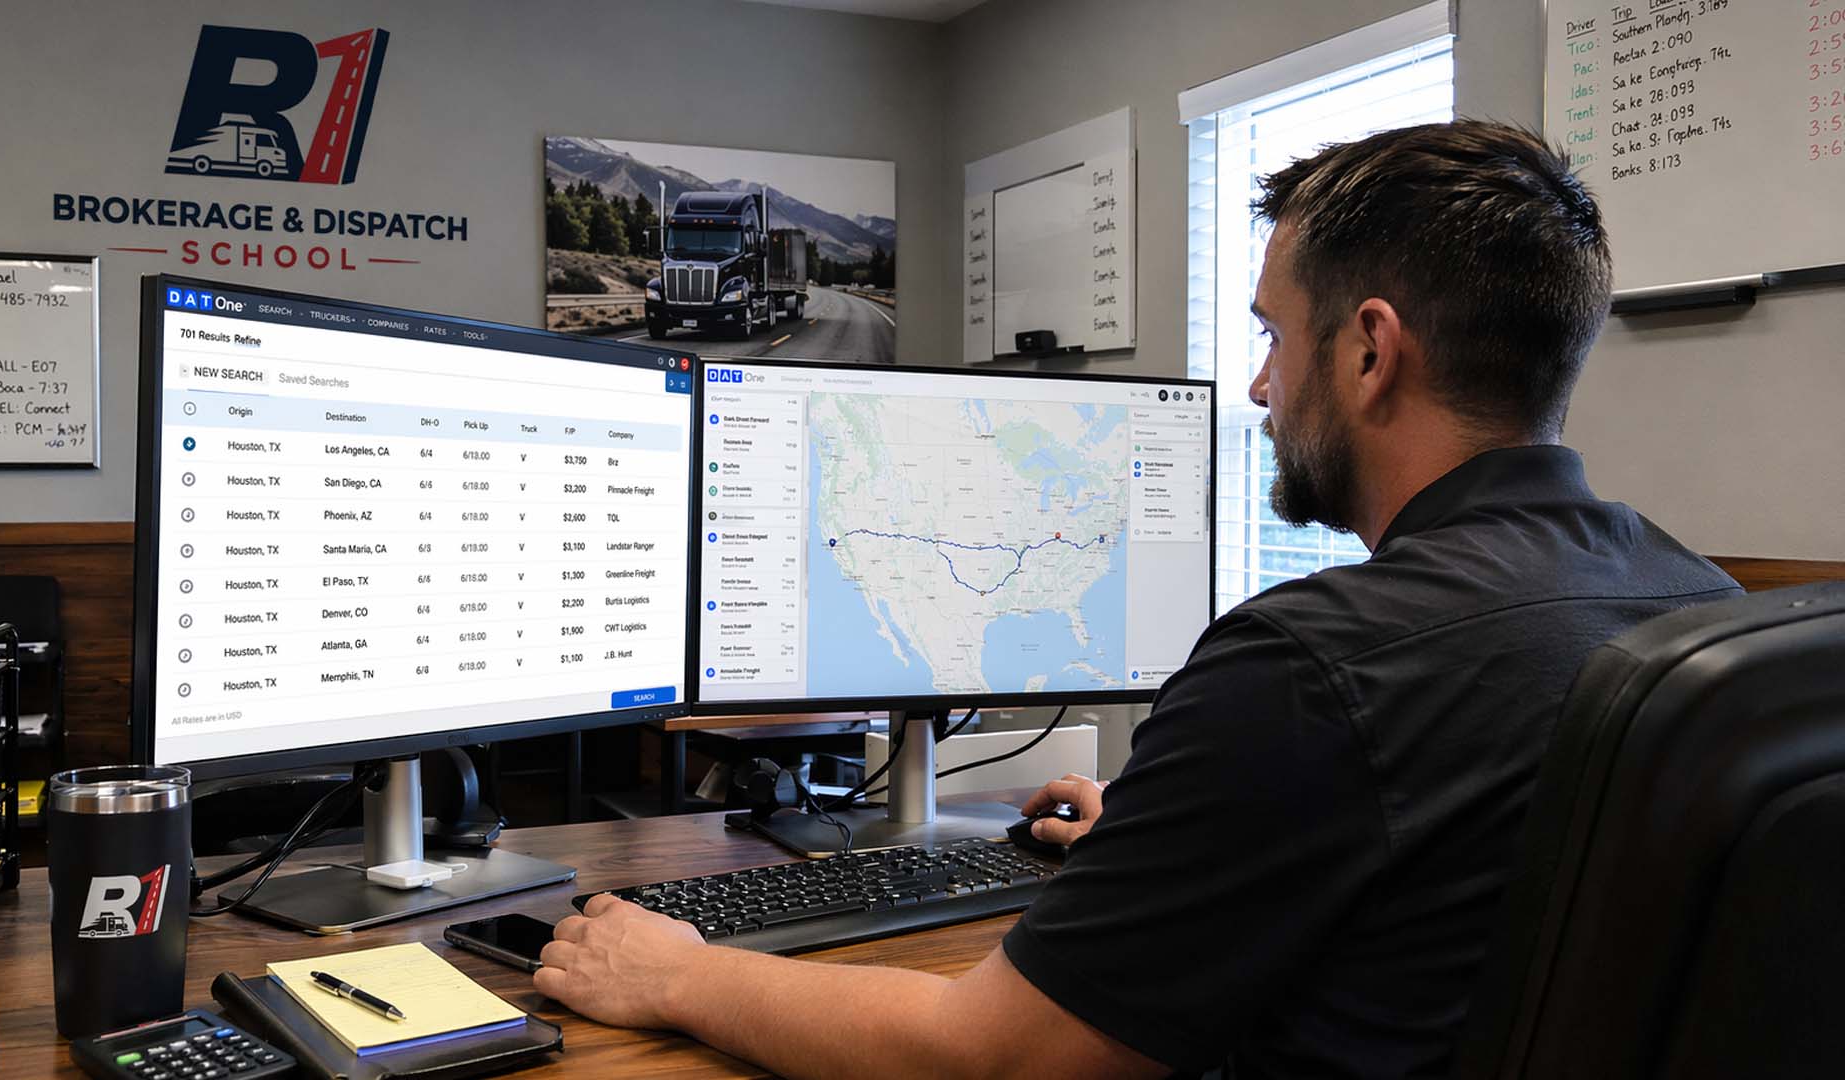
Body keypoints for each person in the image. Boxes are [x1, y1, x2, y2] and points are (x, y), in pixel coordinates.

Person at [531, 121, 1742, 1078]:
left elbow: (990, 1058)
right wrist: (1189, 842)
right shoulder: (1706, 612)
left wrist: (680, 973)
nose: (1260, 388)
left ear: (1371, 352)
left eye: (1275, 337)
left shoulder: (1314, 665)